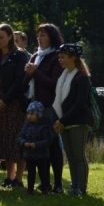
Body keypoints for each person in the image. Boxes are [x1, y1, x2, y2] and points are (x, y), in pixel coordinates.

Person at [23, 23, 65, 194]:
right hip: (35, 107)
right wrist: (27, 73)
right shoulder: (35, 56)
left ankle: (58, 184)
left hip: (50, 107)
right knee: (41, 148)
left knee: (53, 144)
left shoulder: (57, 57)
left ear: (52, 38)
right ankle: (45, 183)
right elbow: (24, 83)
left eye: (44, 35)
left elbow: (55, 85)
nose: (39, 39)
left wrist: (35, 73)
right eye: (38, 35)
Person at [53, 43, 94, 196]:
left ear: (73, 58)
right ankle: (73, 186)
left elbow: (80, 104)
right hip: (65, 121)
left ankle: (81, 188)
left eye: (63, 57)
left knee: (78, 155)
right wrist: (61, 120)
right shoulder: (63, 77)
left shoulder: (82, 78)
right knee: (70, 156)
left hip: (78, 122)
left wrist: (62, 120)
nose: (60, 60)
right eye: (59, 57)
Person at [0, 24, 29, 188]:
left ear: (10, 38)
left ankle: (19, 179)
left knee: (17, 140)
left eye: (2, 37)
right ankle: (9, 177)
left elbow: (20, 81)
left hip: (14, 104)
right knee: (5, 138)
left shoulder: (19, 56)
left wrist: (5, 101)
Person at [19, 101, 54, 194]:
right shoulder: (26, 125)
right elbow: (21, 136)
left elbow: (48, 140)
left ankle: (45, 188)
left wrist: (37, 144)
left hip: (42, 155)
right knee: (30, 173)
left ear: (38, 114)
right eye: (28, 113)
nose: (29, 116)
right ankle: (30, 189)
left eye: (32, 114)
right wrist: (24, 143)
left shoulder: (45, 126)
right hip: (29, 154)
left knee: (43, 173)